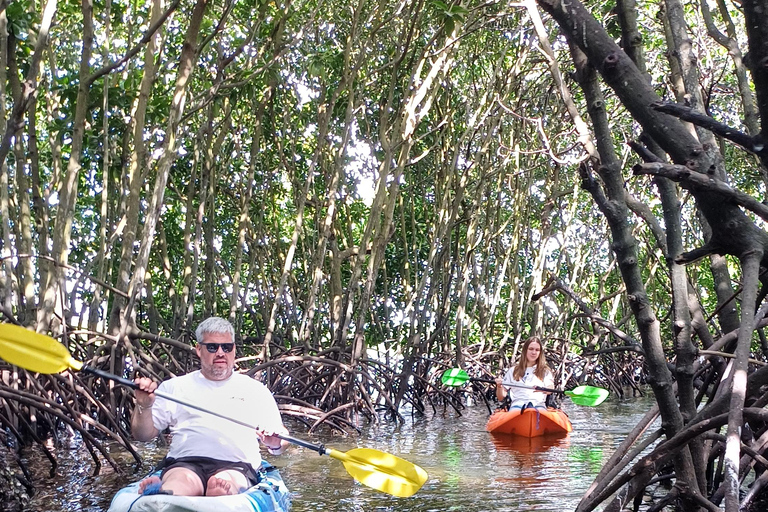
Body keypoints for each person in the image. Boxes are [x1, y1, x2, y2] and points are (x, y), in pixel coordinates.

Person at [131, 317, 289, 497]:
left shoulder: (255, 390)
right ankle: (163, 493)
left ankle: (210, 491)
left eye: (227, 347)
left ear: (234, 349)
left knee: (221, 486)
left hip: (235, 466)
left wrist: (276, 442)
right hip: (185, 463)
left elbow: (282, 440)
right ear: (199, 349)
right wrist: (143, 406)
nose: (221, 353)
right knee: (180, 484)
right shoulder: (174, 387)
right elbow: (142, 436)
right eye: (212, 347)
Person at [494, 336, 554, 409]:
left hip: (538, 405)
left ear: (540, 353)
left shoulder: (545, 371)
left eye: (537, 350)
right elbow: (501, 397)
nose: (534, 352)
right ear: (525, 350)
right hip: (517, 406)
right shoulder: (513, 371)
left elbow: (551, 387)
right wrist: (499, 386)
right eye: (531, 349)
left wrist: (544, 389)